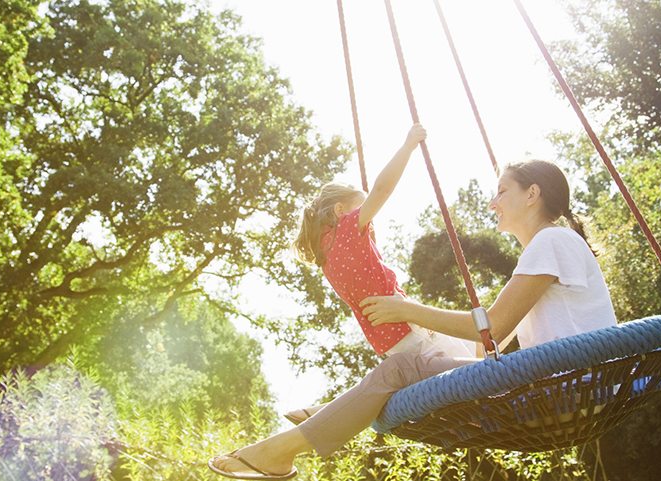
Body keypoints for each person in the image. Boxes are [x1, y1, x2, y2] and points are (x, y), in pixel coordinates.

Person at [208, 160, 617, 480]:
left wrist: (406, 311)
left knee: (401, 368)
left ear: (532, 194)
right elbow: (483, 346)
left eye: (501, 191)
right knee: (403, 371)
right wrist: (418, 329)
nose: (492, 202)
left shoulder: (552, 240)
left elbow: (488, 327)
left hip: (567, 387)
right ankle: (316, 424)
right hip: (559, 386)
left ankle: (279, 452)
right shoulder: (546, 250)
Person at [283, 124, 475, 425]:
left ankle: (325, 409)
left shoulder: (326, 259)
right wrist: (408, 145)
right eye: (360, 209)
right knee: (481, 370)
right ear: (339, 211)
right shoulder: (348, 228)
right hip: (408, 325)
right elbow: (382, 188)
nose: (368, 217)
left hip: (389, 340)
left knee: (443, 379)